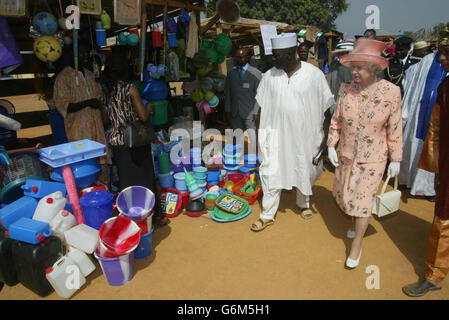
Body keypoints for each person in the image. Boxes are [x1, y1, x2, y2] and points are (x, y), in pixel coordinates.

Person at [327, 38, 403, 269]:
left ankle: (356, 245)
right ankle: (356, 222)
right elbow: (336, 121)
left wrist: (396, 159)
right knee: (347, 195)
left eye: (359, 67)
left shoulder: (391, 92)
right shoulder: (345, 89)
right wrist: (331, 144)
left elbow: (395, 127)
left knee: (362, 200)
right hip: (347, 154)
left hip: (374, 158)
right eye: (353, 66)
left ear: (374, 68)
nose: (354, 71)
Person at [251, 33, 335, 231]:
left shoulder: (314, 75)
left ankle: (302, 203)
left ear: (290, 54)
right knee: (270, 171)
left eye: (276, 55)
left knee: (305, 169)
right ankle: (267, 214)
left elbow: (326, 109)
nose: (273, 59)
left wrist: (324, 141)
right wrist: (259, 136)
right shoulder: (269, 76)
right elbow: (261, 108)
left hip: (305, 137)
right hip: (275, 137)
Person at [402, 30, 449, 297]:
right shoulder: (445, 86)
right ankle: (435, 274)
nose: (439, 58)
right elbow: (436, 128)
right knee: (443, 216)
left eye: (446, 53)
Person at [101, 52, 168, 227]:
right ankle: (154, 218)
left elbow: (106, 120)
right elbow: (143, 117)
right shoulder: (130, 88)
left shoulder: (105, 92)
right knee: (145, 180)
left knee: (126, 183)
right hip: (136, 142)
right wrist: (150, 108)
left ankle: (129, 220)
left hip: (117, 142)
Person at [53, 39, 111, 184]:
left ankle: (105, 193)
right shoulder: (63, 77)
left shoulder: (90, 74)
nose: (85, 56)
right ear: (72, 54)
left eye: (86, 52)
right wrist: (88, 103)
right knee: (85, 165)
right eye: (81, 52)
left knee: (101, 162)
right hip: (79, 129)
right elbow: (63, 105)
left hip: (96, 126)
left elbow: (98, 98)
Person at [399, 46, 447, 199]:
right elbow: (412, 80)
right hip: (424, 116)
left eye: (447, 53)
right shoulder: (428, 60)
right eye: (441, 52)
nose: (441, 58)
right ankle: (418, 184)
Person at [225, 48, 262, 131]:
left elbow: (259, 94)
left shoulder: (256, 73)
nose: (238, 60)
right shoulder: (231, 73)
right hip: (235, 114)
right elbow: (228, 93)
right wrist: (227, 110)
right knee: (237, 139)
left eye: (241, 57)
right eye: (236, 57)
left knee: (252, 139)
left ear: (247, 58)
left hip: (250, 114)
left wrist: (256, 112)